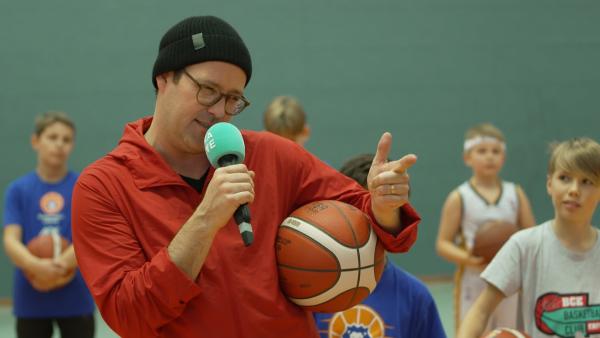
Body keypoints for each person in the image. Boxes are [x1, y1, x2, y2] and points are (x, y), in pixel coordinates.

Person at [71, 16, 421, 338]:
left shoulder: (272, 155)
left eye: (233, 99)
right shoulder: (104, 186)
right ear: (163, 78)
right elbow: (128, 314)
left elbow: (367, 215)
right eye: (207, 90)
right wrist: (205, 219)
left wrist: (384, 203)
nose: (219, 110)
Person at [457, 137, 600, 338]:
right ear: (550, 184)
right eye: (565, 178)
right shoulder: (524, 245)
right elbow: (480, 311)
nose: (574, 190)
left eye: (587, 181)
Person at [313, 153, 447, 338]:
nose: (369, 225)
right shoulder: (309, 290)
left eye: (382, 213)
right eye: (361, 211)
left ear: (401, 218)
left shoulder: (415, 296)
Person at [436, 123, 536, 332]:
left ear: (503, 158)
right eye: (482, 151)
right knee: (472, 332)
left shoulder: (515, 193)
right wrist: (471, 259)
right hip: (474, 279)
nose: (489, 156)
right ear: (467, 158)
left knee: (511, 333)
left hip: (509, 279)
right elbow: (443, 243)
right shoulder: (459, 197)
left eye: (495, 151)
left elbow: (532, 236)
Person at [2, 112, 95, 338]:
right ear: (36, 141)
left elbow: (89, 238)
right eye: (52, 137)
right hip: (31, 296)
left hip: (75, 296)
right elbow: (11, 239)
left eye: (66, 139)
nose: (59, 145)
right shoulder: (18, 189)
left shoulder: (84, 187)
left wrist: (61, 264)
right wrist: (35, 265)